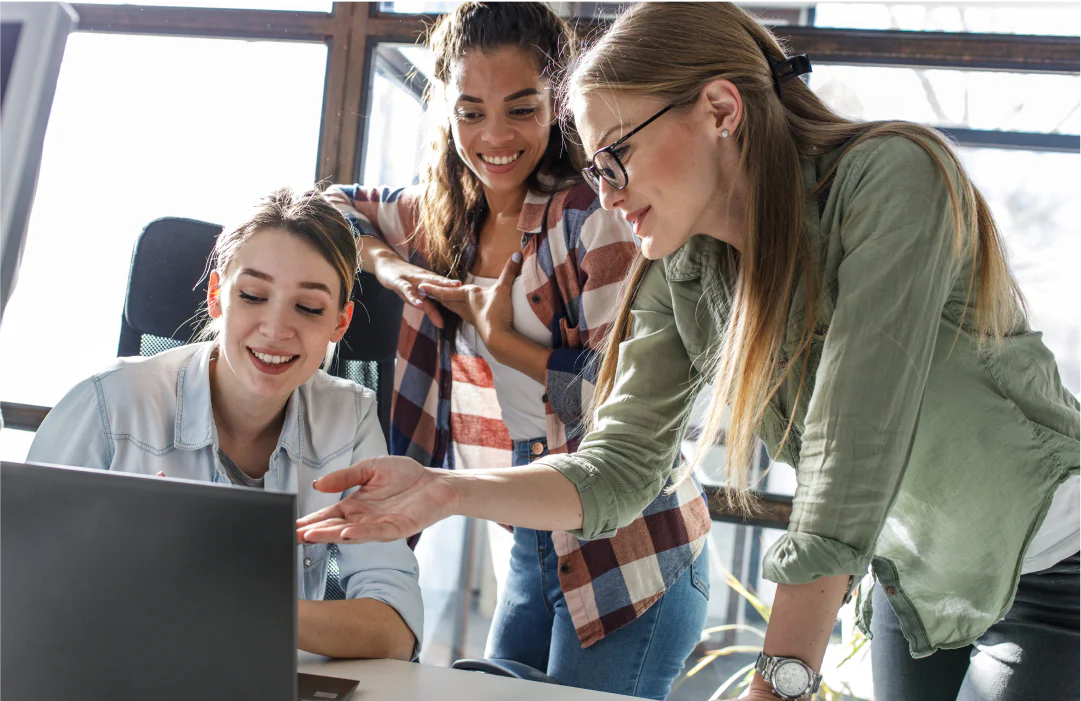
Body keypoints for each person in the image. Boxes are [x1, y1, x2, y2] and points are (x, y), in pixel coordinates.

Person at [299, 0, 1081, 698]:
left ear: (717, 109)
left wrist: (778, 682)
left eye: (615, 157)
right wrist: (445, 489)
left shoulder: (890, 178)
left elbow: (856, 435)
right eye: (594, 168)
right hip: (916, 586)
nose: (602, 193)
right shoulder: (685, 265)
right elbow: (618, 465)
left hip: (1054, 571)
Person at [323, 2, 711, 697]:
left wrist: (502, 339)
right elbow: (332, 206)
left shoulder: (591, 218)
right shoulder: (445, 217)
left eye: (521, 109)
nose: (493, 136)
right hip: (532, 538)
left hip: (630, 545)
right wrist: (393, 268)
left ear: (559, 106)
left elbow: (629, 397)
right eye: (470, 111)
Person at [28, 187, 423, 661]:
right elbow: (23, 592)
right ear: (218, 296)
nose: (276, 329)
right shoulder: (109, 406)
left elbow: (395, 626)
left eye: (310, 308)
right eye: (254, 295)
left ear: (339, 324)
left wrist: (221, 597)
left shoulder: (351, 417)